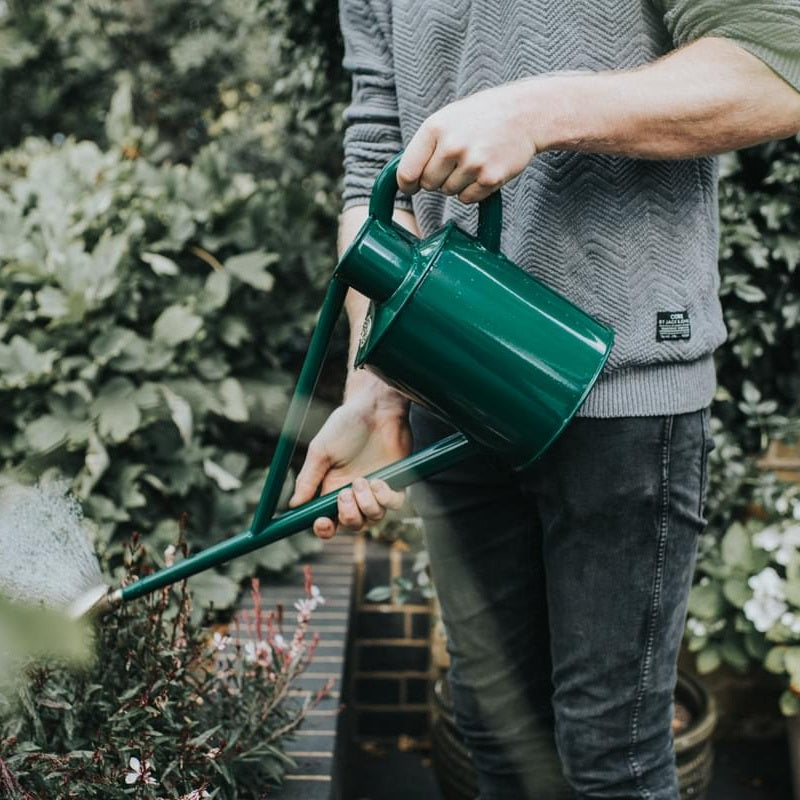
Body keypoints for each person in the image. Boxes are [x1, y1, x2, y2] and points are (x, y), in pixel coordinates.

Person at [289, 2, 800, 798]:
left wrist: (537, 110)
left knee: (612, 764)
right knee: (498, 743)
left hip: (628, 392)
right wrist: (376, 378)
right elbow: (375, 160)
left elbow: (777, 65)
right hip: (451, 393)